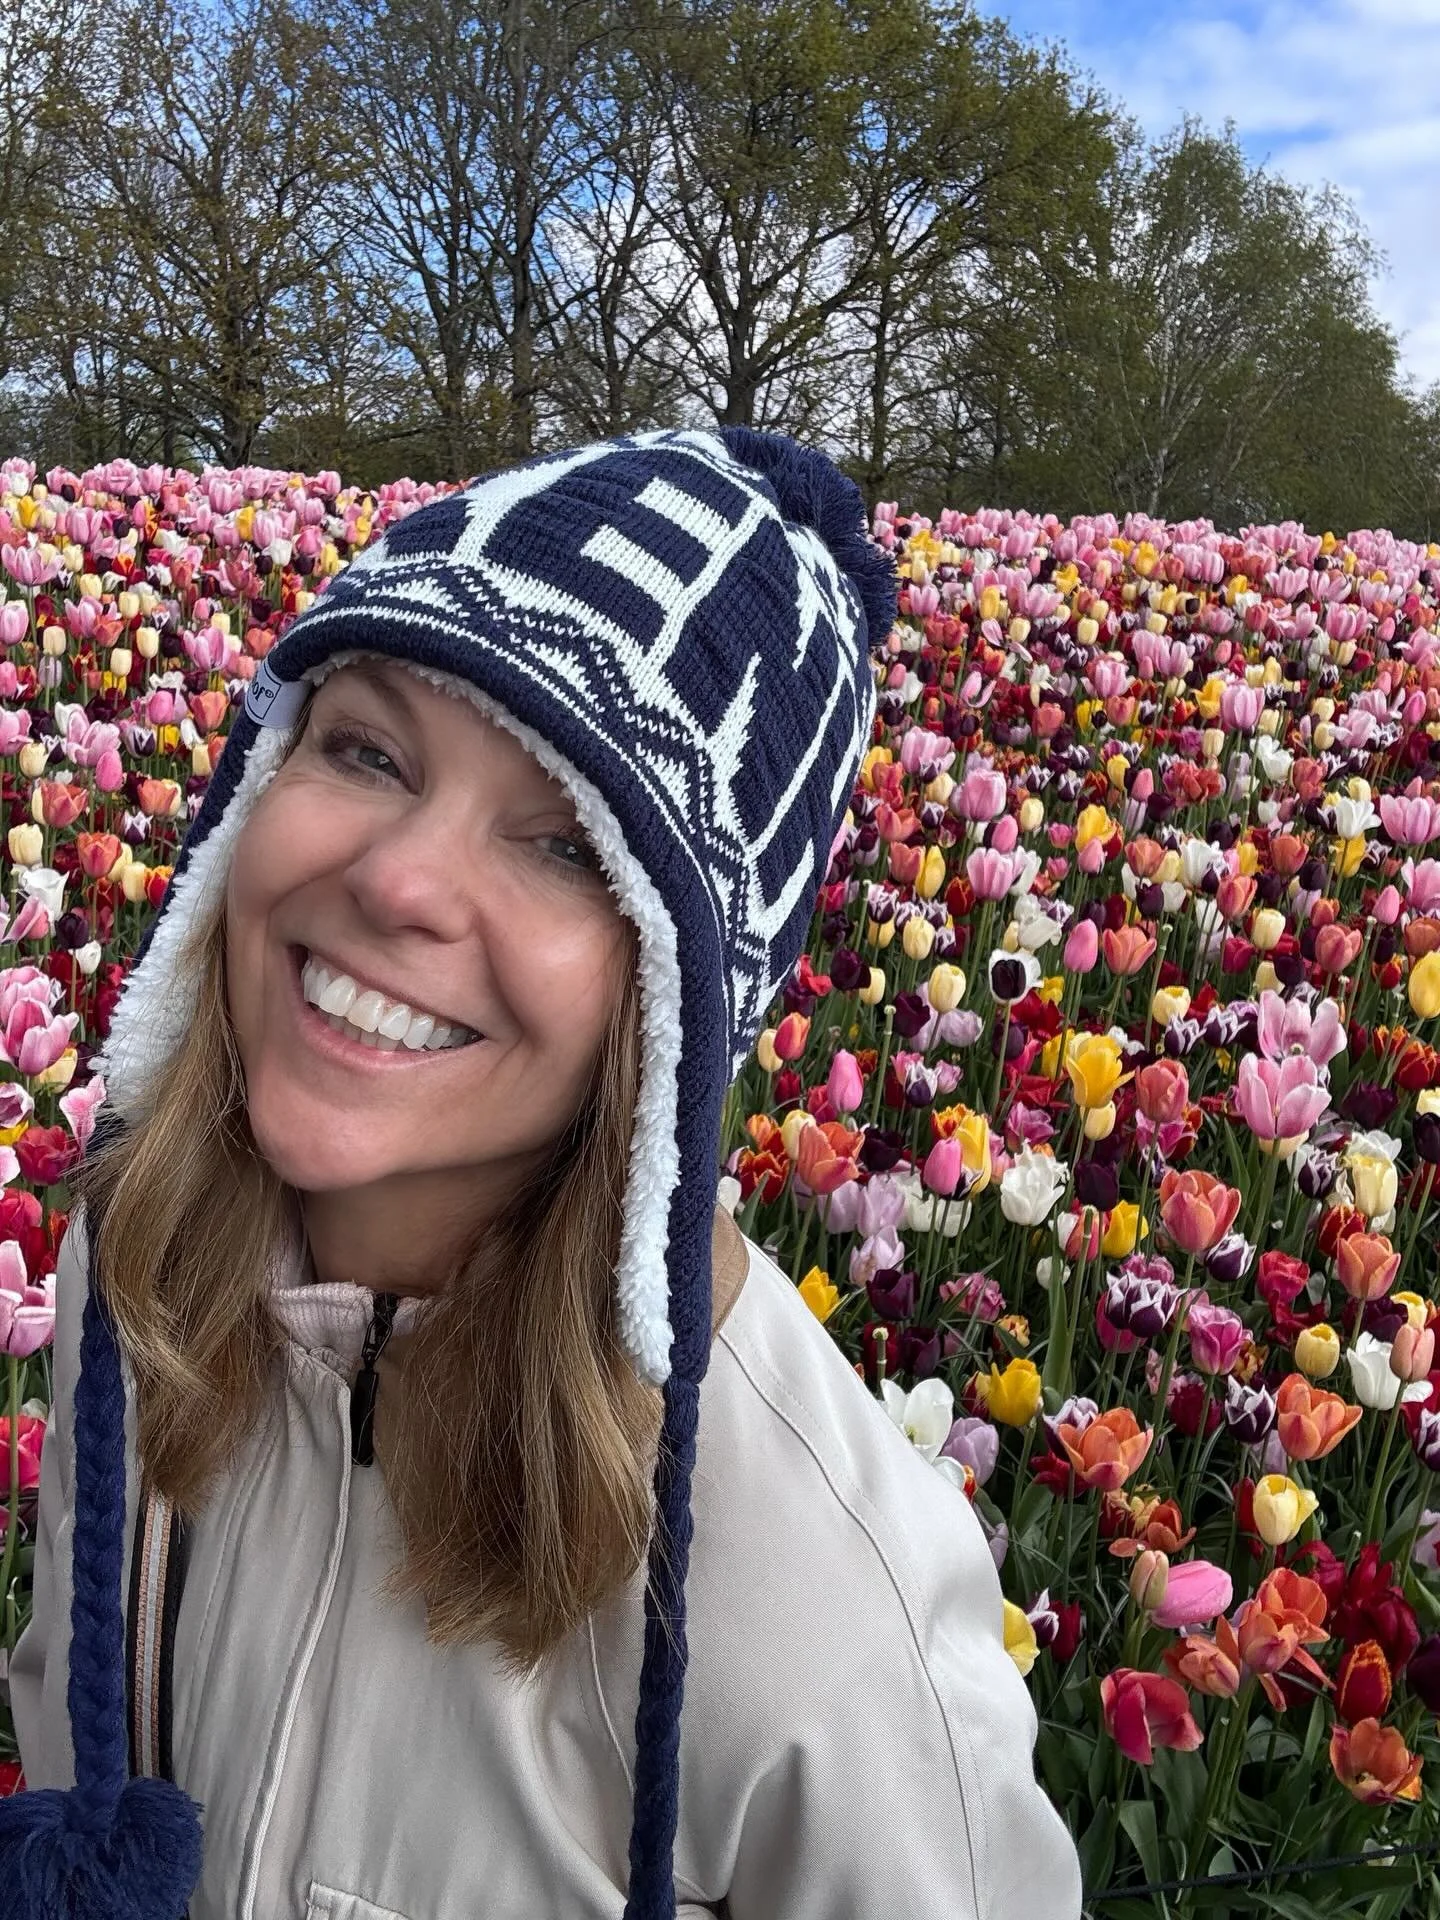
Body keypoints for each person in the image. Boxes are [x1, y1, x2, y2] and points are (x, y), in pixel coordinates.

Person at [3, 427, 1083, 1919]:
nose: (398, 881)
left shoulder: (822, 1619)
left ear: (683, 1004)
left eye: (573, 845)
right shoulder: (131, 1272)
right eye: (367, 749)